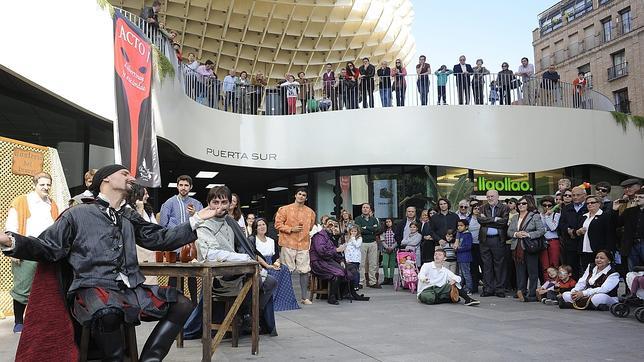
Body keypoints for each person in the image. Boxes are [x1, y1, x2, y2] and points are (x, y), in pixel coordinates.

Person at [1, 165, 208, 360]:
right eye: (125, 173)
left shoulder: (128, 216)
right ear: (106, 179)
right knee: (108, 311)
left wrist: (198, 218)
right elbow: (48, 246)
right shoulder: (77, 213)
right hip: (92, 288)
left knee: (182, 304)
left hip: (130, 290)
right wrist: (10, 240)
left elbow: (160, 238)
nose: (131, 177)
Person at [194, 186, 278, 336]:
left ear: (230, 204)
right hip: (217, 276)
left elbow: (242, 246)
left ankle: (249, 315)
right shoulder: (203, 224)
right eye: (215, 202)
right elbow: (211, 254)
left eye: (224, 202)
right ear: (208, 203)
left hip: (237, 270)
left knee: (270, 281)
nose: (219, 207)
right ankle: (244, 315)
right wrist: (243, 258)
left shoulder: (230, 222)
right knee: (255, 280)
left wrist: (249, 258)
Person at [6, 172, 59, 333]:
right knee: (22, 288)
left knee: (47, 287)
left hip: (46, 249)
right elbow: (11, 226)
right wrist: (15, 251)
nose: (46, 187)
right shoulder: (22, 201)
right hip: (26, 249)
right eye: (42, 184)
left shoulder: (52, 204)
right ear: (34, 184)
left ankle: (38, 321)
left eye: (48, 184)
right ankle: (18, 322)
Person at [159, 175, 202, 303]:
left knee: (192, 276)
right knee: (174, 276)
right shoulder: (169, 203)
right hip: (174, 245)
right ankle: (173, 304)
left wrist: (194, 214)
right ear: (177, 186)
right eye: (181, 185)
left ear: (190, 187)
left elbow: (202, 223)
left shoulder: (196, 204)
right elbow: (163, 226)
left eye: (186, 185)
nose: (183, 188)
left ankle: (193, 305)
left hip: (191, 246)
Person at [309, 218, 370, 304]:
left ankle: (350, 293)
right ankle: (332, 297)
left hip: (327, 261)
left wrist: (341, 260)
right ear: (324, 225)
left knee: (351, 268)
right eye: (330, 225)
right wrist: (337, 250)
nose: (333, 227)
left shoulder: (328, 237)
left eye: (335, 225)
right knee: (339, 271)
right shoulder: (319, 236)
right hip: (318, 263)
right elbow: (321, 251)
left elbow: (333, 251)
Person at [274, 188, 316, 305]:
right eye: (300, 194)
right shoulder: (285, 209)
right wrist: (291, 229)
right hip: (288, 243)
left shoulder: (310, 212)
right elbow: (277, 225)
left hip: (303, 244)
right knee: (287, 270)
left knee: (304, 270)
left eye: (304, 195)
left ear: (306, 198)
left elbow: (311, 227)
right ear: (295, 195)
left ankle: (304, 297)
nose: (301, 196)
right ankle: (285, 297)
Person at [251, 218, 299, 312]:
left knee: (284, 269)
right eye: (259, 225)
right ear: (255, 228)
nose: (262, 227)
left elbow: (276, 255)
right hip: (260, 264)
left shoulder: (271, 240)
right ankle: (270, 301)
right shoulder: (253, 239)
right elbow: (254, 255)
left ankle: (285, 301)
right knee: (273, 273)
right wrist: (267, 266)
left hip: (271, 262)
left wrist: (277, 263)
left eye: (263, 224)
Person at [507, 196, 546, 302]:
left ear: (528, 204)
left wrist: (528, 234)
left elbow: (541, 230)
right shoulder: (515, 217)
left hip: (530, 247)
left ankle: (532, 293)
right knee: (519, 271)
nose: (521, 205)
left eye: (523, 203)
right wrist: (516, 234)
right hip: (517, 247)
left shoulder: (534, 216)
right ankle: (521, 291)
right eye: (519, 204)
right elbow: (509, 232)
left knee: (532, 271)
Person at [478, 190, 510, 298]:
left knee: (499, 265)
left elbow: (504, 222)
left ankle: (500, 289)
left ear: (498, 197)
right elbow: (480, 220)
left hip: (498, 239)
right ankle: (488, 289)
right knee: (486, 266)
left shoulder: (504, 207)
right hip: (484, 240)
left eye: (492, 196)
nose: (490, 198)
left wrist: (487, 220)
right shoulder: (482, 207)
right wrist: (495, 219)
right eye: (488, 197)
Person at [127, 184, 159, 284]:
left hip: (150, 252)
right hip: (137, 253)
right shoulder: (128, 209)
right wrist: (139, 210)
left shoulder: (148, 210)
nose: (148, 196)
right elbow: (135, 228)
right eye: (145, 194)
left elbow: (154, 226)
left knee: (151, 282)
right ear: (138, 195)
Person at [575, 195, 614, 268]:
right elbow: (577, 231)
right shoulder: (583, 216)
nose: (589, 204)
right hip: (584, 249)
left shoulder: (605, 216)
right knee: (586, 270)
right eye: (588, 203)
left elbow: (609, 233)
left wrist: (607, 250)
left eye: (592, 202)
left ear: (599, 204)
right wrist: (578, 231)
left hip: (599, 250)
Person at [558, 186, 588, 279]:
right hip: (570, 243)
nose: (575, 197)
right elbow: (561, 224)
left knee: (586, 267)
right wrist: (568, 230)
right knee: (572, 267)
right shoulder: (567, 208)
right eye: (573, 195)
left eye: (578, 195)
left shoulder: (588, 206)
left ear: (584, 195)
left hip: (585, 242)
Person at [612, 188, 644, 272]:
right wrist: (615, 211)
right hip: (631, 245)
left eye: (640, 197)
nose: (637, 199)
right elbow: (616, 224)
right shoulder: (629, 211)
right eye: (636, 197)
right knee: (632, 273)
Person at [354, 203, 381, 288]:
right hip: (362, 243)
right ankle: (361, 282)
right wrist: (371, 229)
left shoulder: (374, 219)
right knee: (361, 264)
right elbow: (359, 230)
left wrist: (366, 228)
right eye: (364, 207)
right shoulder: (357, 219)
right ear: (362, 209)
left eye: (367, 207)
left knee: (373, 264)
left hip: (373, 243)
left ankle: (372, 282)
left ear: (370, 209)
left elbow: (377, 230)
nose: (365, 209)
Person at [540, 196, 561, 281]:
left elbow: (553, 228)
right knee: (545, 265)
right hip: (542, 241)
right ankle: (547, 286)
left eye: (549, 205)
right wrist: (545, 229)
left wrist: (547, 216)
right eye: (544, 205)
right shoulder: (538, 215)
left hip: (553, 241)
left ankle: (555, 286)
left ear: (553, 205)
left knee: (554, 264)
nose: (547, 207)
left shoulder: (556, 215)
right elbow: (538, 229)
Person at [455, 219, 474, 294]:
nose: (459, 227)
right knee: (460, 274)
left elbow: (468, 247)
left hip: (465, 257)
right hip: (460, 257)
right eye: (458, 225)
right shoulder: (459, 234)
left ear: (466, 227)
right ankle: (461, 288)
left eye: (461, 225)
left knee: (466, 273)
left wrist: (458, 249)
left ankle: (469, 288)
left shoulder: (468, 235)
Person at [469, 201, 483, 294]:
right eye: (475, 208)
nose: (477, 210)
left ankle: (487, 286)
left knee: (484, 265)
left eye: (478, 208)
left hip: (482, 244)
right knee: (473, 267)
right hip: (471, 244)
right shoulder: (468, 218)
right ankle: (474, 287)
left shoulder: (483, 217)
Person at [380, 218, 397, 285]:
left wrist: (392, 247)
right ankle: (386, 277)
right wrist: (387, 247)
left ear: (392, 222)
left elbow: (397, 240)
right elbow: (382, 240)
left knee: (392, 264)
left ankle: (391, 278)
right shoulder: (384, 231)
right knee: (385, 264)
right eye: (386, 222)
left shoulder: (395, 230)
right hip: (385, 250)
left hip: (393, 249)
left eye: (389, 221)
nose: (388, 223)